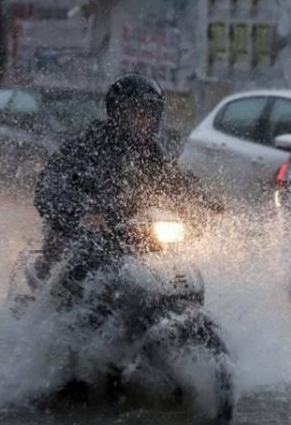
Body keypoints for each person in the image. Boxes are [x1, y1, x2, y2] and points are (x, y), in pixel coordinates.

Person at [33, 73, 221, 294]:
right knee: (75, 270)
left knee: (171, 266)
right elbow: (49, 186)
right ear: (118, 113)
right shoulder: (84, 147)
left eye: (150, 114)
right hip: (84, 235)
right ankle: (56, 317)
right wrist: (82, 211)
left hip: (132, 237)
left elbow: (176, 182)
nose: (144, 120)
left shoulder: (152, 153)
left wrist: (206, 204)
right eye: (137, 113)